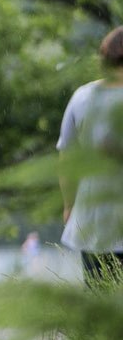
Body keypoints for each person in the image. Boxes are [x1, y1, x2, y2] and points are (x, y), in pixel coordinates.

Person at [59, 26, 123, 289]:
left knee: (100, 297)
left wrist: (69, 205)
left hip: (93, 218)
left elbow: (67, 159)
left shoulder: (82, 97)